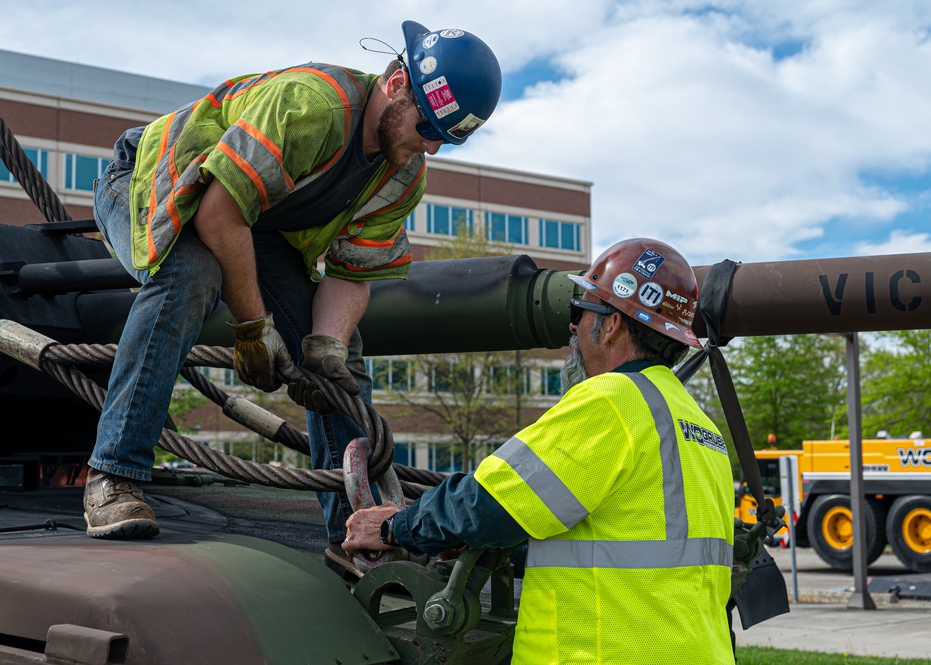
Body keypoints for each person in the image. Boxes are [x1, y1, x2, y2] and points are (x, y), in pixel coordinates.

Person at [82, 19, 503, 559]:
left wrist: (322, 348)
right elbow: (216, 214)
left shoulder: (402, 174)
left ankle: (357, 532)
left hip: (253, 222)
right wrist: (254, 329)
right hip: (149, 179)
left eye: (446, 139)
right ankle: (113, 475)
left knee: (339, 356)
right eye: (428, 129)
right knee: (191, 274)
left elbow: (352, 274)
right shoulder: (311, 107)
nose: (432, 148)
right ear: (397, 83)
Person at [344, 238, 736, 664]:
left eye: (580, 311)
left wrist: (392, 527)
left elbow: (486, 504)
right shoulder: (696, 423)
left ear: (611, 326)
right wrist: (498, 546)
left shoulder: (610, 401)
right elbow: (621, 540)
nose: (573, 327)